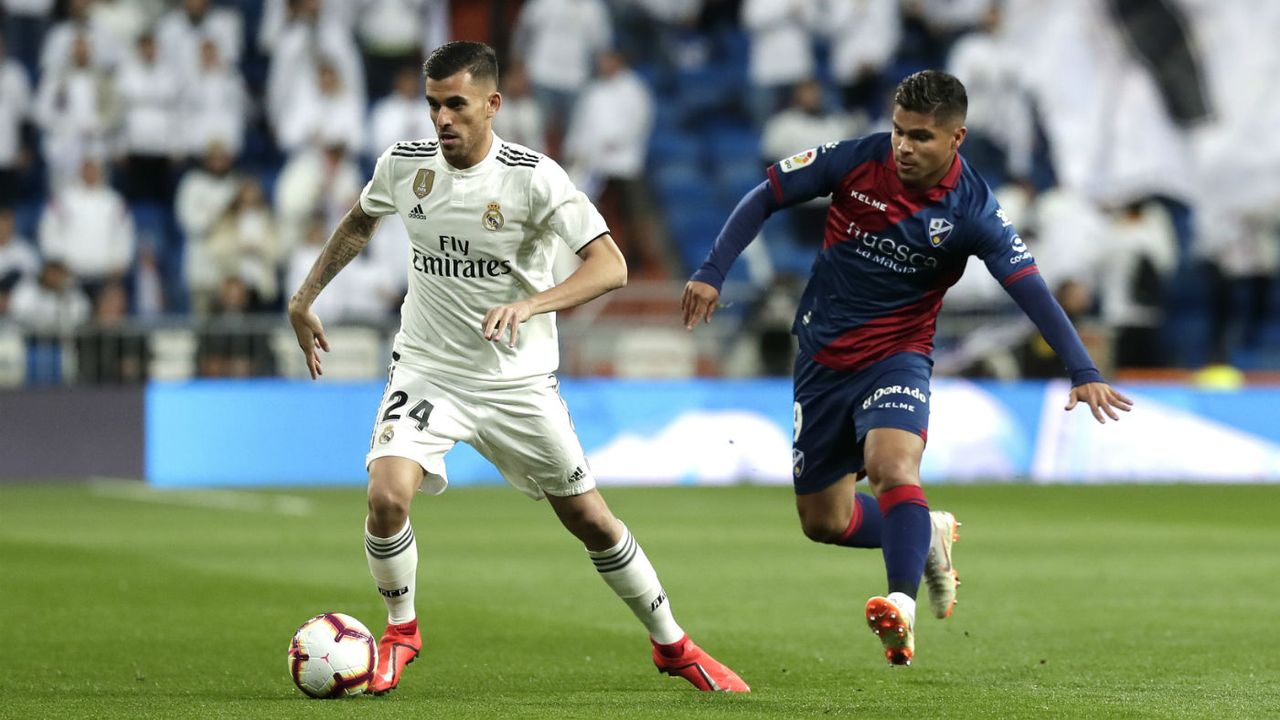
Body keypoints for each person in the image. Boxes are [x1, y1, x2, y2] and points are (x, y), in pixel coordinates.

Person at [287, 41, 748, 696]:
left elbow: (610, 265)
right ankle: (400, 632)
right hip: (428, 369)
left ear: (492, 104)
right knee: (386, 496)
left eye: (456, 105)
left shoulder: (535, 178)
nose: (442, 119)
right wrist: (305, 298)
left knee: (589, 520)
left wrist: (533, 303)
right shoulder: (405, 166)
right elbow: (360, 222)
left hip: (517, 382)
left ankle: (673, 644)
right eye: (433, 105)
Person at [681, 70, 1133, 667]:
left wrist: (1081, 368)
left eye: (920, 136)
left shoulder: (972, 209)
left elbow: (1029, 288)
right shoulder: (855, 160)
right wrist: (713, 271)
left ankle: (902, 604)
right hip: (821, 356)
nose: (903, 146)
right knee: (823, 521)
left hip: (898, 354)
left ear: (956, 138)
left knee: (891, 467)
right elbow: (765, 194)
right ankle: (926, 535)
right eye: (898, 131)